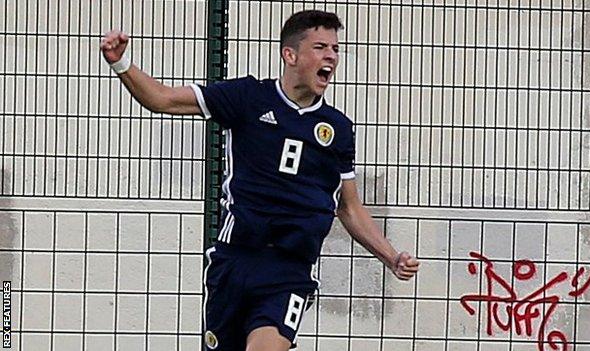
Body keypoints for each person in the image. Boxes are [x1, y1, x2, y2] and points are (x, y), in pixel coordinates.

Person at [101, 10, 419, 351]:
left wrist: (390, 256)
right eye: (321, 47)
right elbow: (161, 98)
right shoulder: (248, 98)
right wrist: (121, 63)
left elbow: (348, 206)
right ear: (290, 55)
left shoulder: (337, 129)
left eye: (335, 49)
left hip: (289, 270)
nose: (331, 56)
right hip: (233, 262)